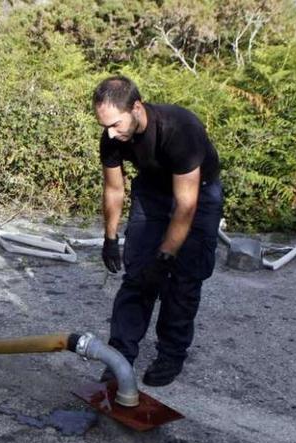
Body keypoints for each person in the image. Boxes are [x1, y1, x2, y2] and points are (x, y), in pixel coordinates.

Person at [92, 76, 223, 386]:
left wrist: (164, 258)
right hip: (152, 191)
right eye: (104, 126)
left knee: (183, 278)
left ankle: (171, 354)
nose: (110, 132)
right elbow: (113, 189)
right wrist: (110, 238)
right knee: (137, 275)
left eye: (115, 124)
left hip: (198, 196)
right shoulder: (111, 137)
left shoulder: (179, 129)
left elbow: (186, 206)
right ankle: (120, 357)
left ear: (136, 108)